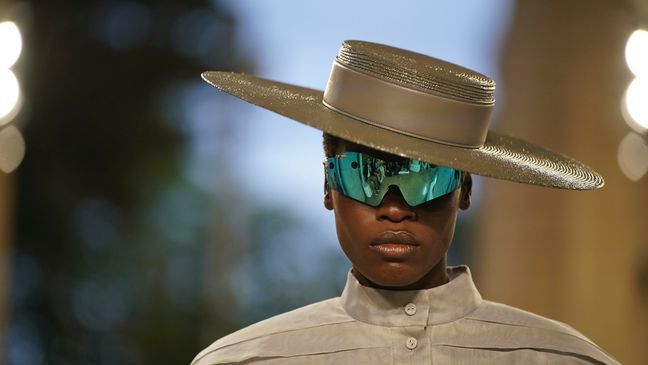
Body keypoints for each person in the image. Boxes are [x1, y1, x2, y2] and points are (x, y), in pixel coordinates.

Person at [191, 40, 620, 364]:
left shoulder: (558, 358)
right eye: (366, 175)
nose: (394, 208)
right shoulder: (248, 360)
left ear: (464, 190)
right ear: (328, 187)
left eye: (425, 177)